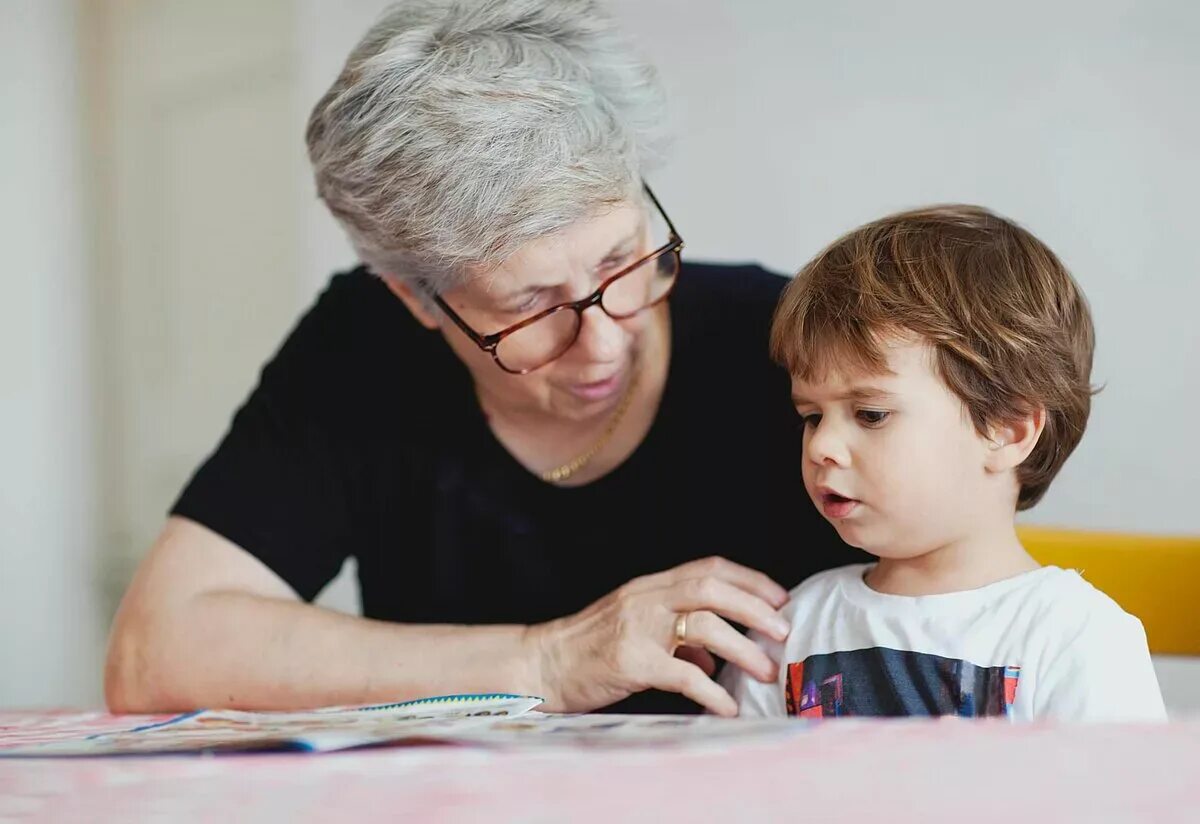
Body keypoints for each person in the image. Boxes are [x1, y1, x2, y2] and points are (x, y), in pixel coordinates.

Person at [103, 0, 857, 717]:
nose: (603, 341)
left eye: (623, 261)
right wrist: (546, 662)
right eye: (530, 305)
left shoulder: (784, 342)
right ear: (415, 298)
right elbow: (153, 651)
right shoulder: (363, 346)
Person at [723, 204, 1166, 721]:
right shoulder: (792, 628)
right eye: (812, 416)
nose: (822, 445)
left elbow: (1119, 800)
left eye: (870, 413)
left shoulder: (1071, 636)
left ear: (1008, 429)